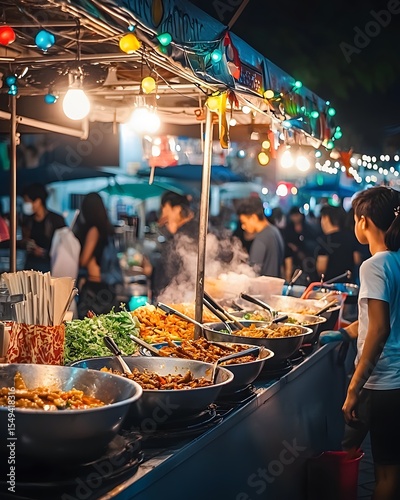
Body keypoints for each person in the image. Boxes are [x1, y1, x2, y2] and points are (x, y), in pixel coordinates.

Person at [320, 186, 400, 499]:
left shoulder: (374, 266)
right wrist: (346, 332)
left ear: (364, 221)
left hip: (379, 384)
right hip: (393, 383)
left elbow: (379, 330)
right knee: (387, 466)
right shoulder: (395, 260)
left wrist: (353, 389)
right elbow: (377, 320)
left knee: (374, 469)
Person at [74, 192, 119, 318]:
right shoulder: (106, 229)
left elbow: (83, 260)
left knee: (90, 329)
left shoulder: (93, 231)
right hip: (106, 285)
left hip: (95, 287)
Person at [151, 192, 199, 302]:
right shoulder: (179, 233)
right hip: (170, 297)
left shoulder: (191, 233)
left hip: (181, 299)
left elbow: (179, 269)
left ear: (177, 209)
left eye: (164, 208)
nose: (163, 214)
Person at [20, 183, 66, 272]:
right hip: (30, 265)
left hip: (50, 265)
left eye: (27, 201)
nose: (25, 204)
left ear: (38, 201)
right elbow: (24, 238)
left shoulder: (56, 220)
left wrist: (45, 252)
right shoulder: (27, 220)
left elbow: (63, 245)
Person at [236, 197, 284, 278]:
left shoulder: (261, 239)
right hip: (275, 287)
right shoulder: (274, 231)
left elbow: (251, 273)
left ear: (254, 217)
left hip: (265, 289)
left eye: (244, 222)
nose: (243, 226)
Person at [316, 204, 362, 282]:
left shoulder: (324, 240)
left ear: (326, 218)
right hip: (348, 284)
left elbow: (321, 268)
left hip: (329, 285)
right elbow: (357, 260)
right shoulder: (351, 236)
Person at [283, 206, 321, 285]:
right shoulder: (288, 230)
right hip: (293, 261)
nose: (295, 218)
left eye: (297, 215)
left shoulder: (308, 228)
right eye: (293, 216)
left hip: (308, 261)